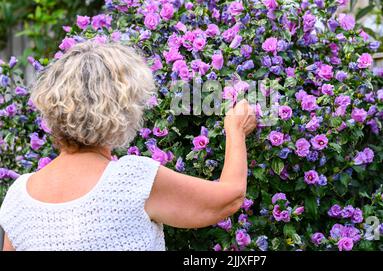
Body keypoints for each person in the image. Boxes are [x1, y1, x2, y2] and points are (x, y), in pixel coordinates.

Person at [0, 41, 256, 251]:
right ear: (122, 109)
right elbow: (229, 198)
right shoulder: (130, 180)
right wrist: (235, 130)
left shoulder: (18, 197)